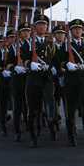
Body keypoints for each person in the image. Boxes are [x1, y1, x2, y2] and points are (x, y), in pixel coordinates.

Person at [53, 19, 84, 146]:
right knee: (71, 109)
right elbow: (58, 61)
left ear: (82, 31)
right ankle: (71, 134)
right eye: (75, 29)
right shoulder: (65, 46)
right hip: (70, 80)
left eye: (79, 29)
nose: (77, 31)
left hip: (83, 78)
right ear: (71, 31)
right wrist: (66, 65)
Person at [26, 14, 57, 146]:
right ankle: (33, 135)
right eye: (39, 24)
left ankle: (52, 125)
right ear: (35, 26)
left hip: (47, 78)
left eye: (44, 25)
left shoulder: (50, 44)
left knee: (50, 102)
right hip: (33, 79)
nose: (42, 27)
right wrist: (29, 64)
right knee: (33, 109)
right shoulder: (27, 43)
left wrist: (55, 68)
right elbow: (22, 58)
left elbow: (55, 59)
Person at [12, 24, 31, 143]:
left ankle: (30, 127)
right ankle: (17, 130)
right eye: (24, 31)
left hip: (29, 78)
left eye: (28, 31)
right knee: (18, 106)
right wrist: (15, 67)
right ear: (19, 33)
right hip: (17, 80)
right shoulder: (14, 47)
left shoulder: (32, 45)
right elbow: (7, 63)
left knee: (29, 105)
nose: (26, 33)